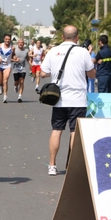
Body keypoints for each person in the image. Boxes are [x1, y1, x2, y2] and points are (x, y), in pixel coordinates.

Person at [40, 25, 96, 176]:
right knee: (74, 133)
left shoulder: (53, 51)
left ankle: (52, 165)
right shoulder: (83, 52)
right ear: (77, 38)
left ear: (63, 37)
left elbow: (43, 72)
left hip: (58, 100)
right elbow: (91, 75)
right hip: (78, 100)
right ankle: (72, 166)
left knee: (56, 130)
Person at [0, 34, 17, 103]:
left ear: (10, 40)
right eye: (6, 39)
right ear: (4, 39)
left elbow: (13, 54)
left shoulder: (12, 47)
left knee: (5, 81)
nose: (7, 40)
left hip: (7, 65)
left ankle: (5, 96)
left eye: (9, 39)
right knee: (0, 81)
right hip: (0, 65)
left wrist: (15, 57)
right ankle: (1, 86)